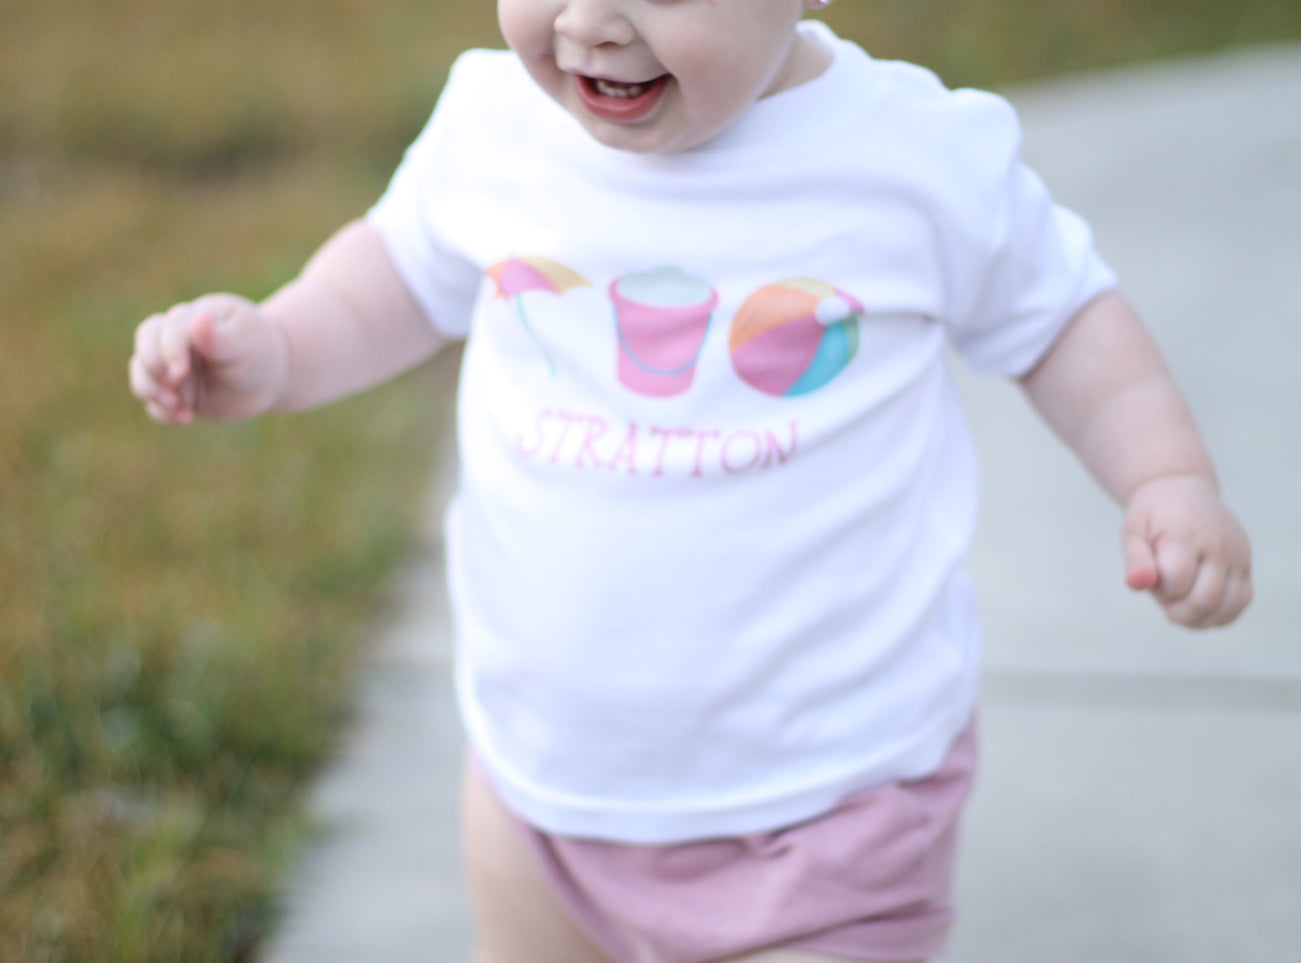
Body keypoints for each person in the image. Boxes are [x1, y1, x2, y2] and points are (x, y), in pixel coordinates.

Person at [128, 1, 1253, 960]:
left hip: (831, 803)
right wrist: (278, 345)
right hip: (538, 787)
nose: (591, 23)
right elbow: (392, 276)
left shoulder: (909, 158)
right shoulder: (495, 126)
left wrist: (1160, 473)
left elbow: (1061, 321)